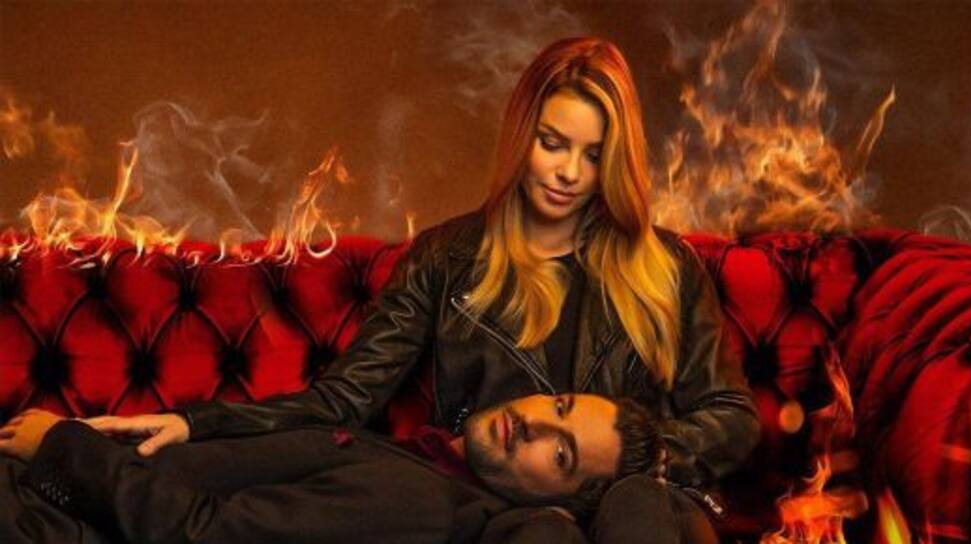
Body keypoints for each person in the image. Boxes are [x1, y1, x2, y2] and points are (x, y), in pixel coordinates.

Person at [71, 36, 760, 542]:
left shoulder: (662, 266)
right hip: (507, 510)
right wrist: (200, 422)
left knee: (633, 508)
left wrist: (636, 458)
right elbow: (344, 399)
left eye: (593, 155)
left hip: (642, 502)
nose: (569, 174)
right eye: (554, 143)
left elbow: (730, 413)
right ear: (522, 134)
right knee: (542, 535)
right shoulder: (447, 257)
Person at [0, 393, 660, 544]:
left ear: (558, 499)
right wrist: (197, 422)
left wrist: (60, 446)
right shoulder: (423, 459)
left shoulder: (418, 505)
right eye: (561, 405)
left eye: (562, 453)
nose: (539, 423)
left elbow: (204, 535)